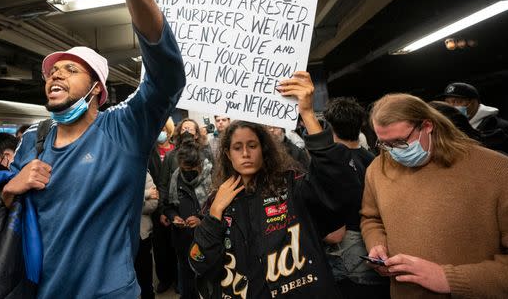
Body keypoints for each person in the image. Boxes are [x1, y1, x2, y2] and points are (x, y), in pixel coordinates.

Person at [2, 0, 185, 298]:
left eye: (70, 69)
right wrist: (9, 189)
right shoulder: (31, 142)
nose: (55, 75)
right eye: (52, 72)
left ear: (96, 91)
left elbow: (167, 76)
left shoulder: (123, 130)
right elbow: (7, 215)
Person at [190, 71, 358, 298]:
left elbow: (338, 187)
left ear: (264, 150)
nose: (246, 153)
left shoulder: (292, 184)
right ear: (228, 155)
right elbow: (199, 261)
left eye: (252, 145)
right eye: (237, 147)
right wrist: (214, 215)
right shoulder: (216, 200)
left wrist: (307, 114)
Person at [362, 93, 508, 298]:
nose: (393, 152)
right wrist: (377, 244)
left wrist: (450, 278)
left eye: (400, 142)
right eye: (385, 144)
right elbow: (371, 218)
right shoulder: (378, 168)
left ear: (427, 126)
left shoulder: (496, 170)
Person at [321, 97, 388, 298]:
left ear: (328, 127)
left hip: (347, 262)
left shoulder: (330, 166)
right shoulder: (375, 161)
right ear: (361, 126)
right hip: (378, 253)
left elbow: (333, 233)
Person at [163, 139, 212, 299]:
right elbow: (168, 206)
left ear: (199, 164)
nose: (187, 173)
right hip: (183, 241)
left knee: (207, 283)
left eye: (191, 169)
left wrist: (201, 219)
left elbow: (220, 209)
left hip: (207, 242)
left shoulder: (212, 178)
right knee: (186, 281)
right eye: (184, 169)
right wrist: (174, 217)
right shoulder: (176, 178)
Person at [147, 117, 178, 294]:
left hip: (174, 204)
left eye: (164, 129)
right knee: (160, 247)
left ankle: (178, 278)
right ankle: (165, 278)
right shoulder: (149, 151)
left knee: (177, 244)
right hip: (154, 204)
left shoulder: (176, 151)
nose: (161, 132)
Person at [439, 82, 508, 152]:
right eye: (447, 102)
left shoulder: (500, 127)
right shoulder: (448, 128)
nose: (450, 106)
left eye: (457, 101)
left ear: (474, 102)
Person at [135, 171, 159, 299]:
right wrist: (145, 194)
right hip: (119, 238)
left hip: (142, 234)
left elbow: (153, 203)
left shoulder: (143, 173)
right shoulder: (112, 172)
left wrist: (128, 205)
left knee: (145, 279)